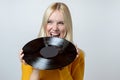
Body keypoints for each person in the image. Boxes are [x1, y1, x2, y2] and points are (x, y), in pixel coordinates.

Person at [19, 2, 85, 80]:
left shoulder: (78, 56)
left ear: (67, 26)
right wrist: (35, 66)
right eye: (50, 22)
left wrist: (63, 66)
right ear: (44, 25)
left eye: (61, 23)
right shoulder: (30, 54)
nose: (55, 28)